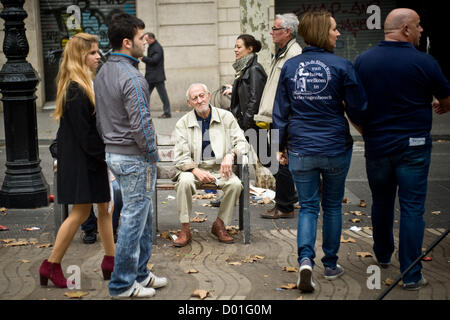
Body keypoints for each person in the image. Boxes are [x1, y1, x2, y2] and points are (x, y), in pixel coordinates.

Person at [354, 8, 450, 290]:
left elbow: (351, 104)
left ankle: (383, 255)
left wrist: (365, 130)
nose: (422, 31)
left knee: (381, 202)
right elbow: (446, 98)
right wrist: (441, 105)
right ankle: (411, 274)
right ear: (406, 29)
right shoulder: (425, 62)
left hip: (378, 146)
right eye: (419, 26)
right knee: (412, 209)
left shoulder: (363, 60)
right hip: (414, 148)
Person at [273, 11, 367, 292]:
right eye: (334, 29)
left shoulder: (290, 67)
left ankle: (304, 261)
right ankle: (330, 263)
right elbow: (359, 107)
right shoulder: (342, 66)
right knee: (332, 205)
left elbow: (280, 113)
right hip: (335, 147)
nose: (338, 34)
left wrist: (280, 147)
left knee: (309, 207)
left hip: (301, 148)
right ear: (321, 32)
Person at [94, 12, 167, 299]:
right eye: (140, 38)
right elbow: (142, 125)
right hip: (134, 158)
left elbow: (101, 120)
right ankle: (122, 284)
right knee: (133, 221)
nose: (144, 43)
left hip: (115, 154)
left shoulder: (102, 72)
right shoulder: (133, 78)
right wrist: (152, 155)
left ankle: (140, 274)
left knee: (142, 217)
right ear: (127, 42)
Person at [39, 33, 115, 288]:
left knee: (104, 208)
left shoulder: (84, 83)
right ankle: (51, 264)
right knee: (80, 213)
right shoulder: (75, 88)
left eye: (97, 52)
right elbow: (85, 135)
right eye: (92, 53)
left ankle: (110, 262)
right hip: (83, 161)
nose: (98, 56)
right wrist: (107, 157)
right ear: (80, 56)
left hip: (89, 159)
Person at [172, 83, 248, 247]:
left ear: (207, 96)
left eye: (201, 96)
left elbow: (242, 142)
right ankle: (185, 229)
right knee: (184, 182)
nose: (199, 100)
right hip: (192, 169)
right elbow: (180, 155)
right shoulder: (183, 124)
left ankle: (219, 225)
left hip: (219, 169)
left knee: (235, 184)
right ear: (189, 103)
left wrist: (231, 154)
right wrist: (195, 170)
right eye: (195, 98)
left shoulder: (226, 117)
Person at [255, 13, 302, 220]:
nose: (271, 32)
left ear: (287, 32)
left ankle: (285, 206)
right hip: (274, 117)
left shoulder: (294, 54)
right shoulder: (283, 52)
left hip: (283, 118)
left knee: (279, 161)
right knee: (275, 161)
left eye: (275, 29)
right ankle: (286, 200)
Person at [81, 177, 122, 244]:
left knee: (117, 190)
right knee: (83, 189)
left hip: (111, 174)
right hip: (87, 175)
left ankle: (111, 228)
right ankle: (89, 228)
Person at [142, 32, 171, 118]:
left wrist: (143, 58)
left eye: (147, 40)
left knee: (163, 96)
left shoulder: (157, 47)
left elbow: (154, 60)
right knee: (145, 95)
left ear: (152, 39)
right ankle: (144, 112)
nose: (146, 42)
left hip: (157, 77)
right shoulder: (152, 47)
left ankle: (167, 112)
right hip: (151, 77)